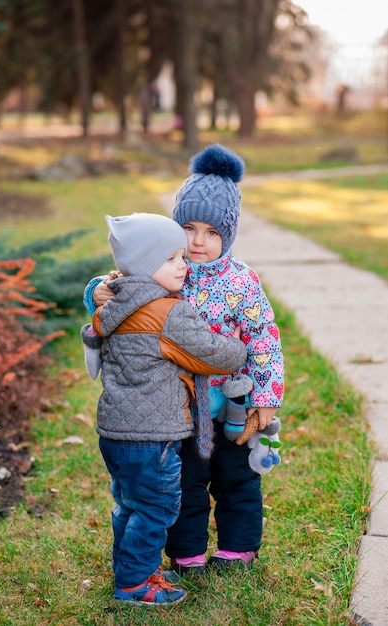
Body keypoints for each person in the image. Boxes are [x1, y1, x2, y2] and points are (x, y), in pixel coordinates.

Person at [83, 144, 284, 576]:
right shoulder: (166, 266)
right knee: (184, 483)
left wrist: (265, 397)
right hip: (177, 409)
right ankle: (188, 552)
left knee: (237, 479)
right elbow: (123, 280)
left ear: (227, 235)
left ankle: (238, 547)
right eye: (189, 227)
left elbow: (264, 337)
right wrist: (95, 290)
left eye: (212, 232)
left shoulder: (241, 281)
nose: (197, 241)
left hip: (231, 404)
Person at [82, 212, 247, 605]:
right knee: (156, 508)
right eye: (172, 259)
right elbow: (212, 354)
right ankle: (135, 584)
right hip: (152, 437)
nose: (183, 264)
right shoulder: (167, 312)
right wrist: (238, 345)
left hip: (115, 434)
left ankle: (133, 568)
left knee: (129, 505)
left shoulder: (116, 303)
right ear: (145, 265)